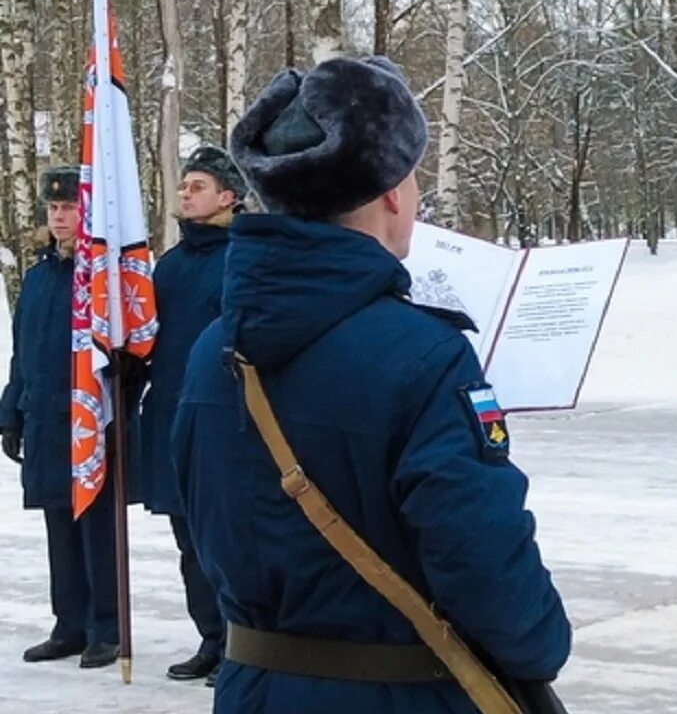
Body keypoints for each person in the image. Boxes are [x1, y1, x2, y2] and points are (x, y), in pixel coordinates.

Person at [170, 55, 571, 712]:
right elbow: (481, 561)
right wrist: (542, 644)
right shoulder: (425, 356)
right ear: (391, 191)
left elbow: (205, 528)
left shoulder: (212, 349)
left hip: (253, 691)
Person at [0, 167, 119, 668]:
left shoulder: (98, 278)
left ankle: (105, 627)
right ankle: (69, 622)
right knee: (57, 524)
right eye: (53, 209)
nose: (60, 217)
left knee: (93, 525)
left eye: (69, 207)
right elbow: (23, 353)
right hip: (45, 416)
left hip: (88, 418)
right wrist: (11, 412)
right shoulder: (39, 275)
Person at [137, 145, 245, 684]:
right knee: (189, 543)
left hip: (226, 422)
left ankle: (241, 645)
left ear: (228, 196)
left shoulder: (246, 259)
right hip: (171, 416)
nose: (184, 193)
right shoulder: (170, 265)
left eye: (196, 186)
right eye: (183, 186)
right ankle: (211, 639)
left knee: (227, 541)